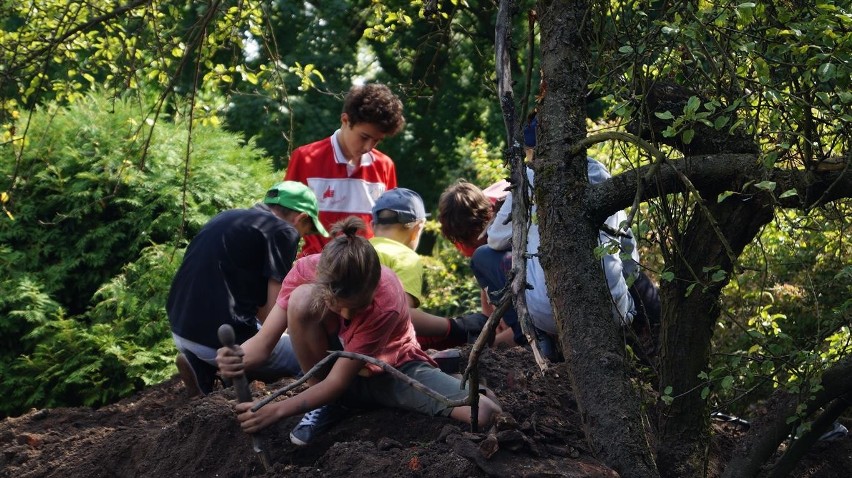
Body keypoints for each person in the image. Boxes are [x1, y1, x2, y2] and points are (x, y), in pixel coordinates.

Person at [216, 217, 501, 446]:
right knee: (301, 300)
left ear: (373, 286)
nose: (348, 317)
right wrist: (235, 358)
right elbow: (263, 343)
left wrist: (275, 410)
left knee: (484, 411)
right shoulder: (306, 270)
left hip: (389, 369)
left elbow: (339, 381)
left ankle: (346, 399)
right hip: (330, 371)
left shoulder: (386, 298)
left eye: (357, 307)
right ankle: (324, 401)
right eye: (338, 306)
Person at [167, 181, 328, 397]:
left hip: (181, 331)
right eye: (306, 231)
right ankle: (227, 368)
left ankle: (201, 365)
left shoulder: (228, 217)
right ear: (301, 218)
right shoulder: (283, 231)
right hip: (222, 340)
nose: (301, 239)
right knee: (312, 358)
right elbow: (274, 311)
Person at [284, 83, 406, 257]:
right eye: (364, 137)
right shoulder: (305, 158)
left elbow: (388, 230)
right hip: (314, 271)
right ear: (345, 120)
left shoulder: (385, 166)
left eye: (377, 141)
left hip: (365, 271)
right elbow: (285, 222)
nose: (368, 146)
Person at [370, 188, 486, 350]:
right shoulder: (404, 257)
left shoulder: (357, 249)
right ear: (418, 228)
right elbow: (401, 315)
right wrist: (455, 327)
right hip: (375, 347)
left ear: (373, 225)